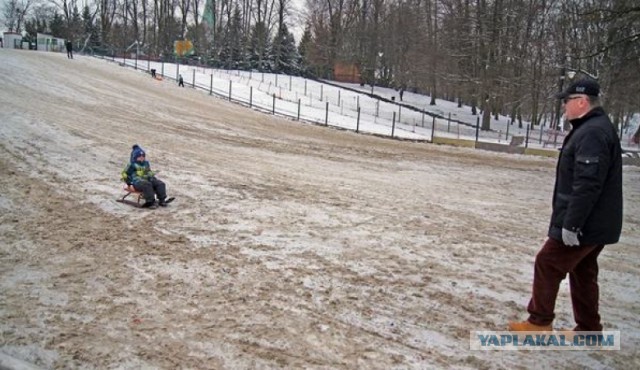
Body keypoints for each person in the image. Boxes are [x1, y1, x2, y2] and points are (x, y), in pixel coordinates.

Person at [508, 79, 623, 333]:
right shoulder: (593, 127)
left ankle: (539, 322)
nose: (563, 106)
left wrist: (572, 225)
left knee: (547, 263)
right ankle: (589, 329)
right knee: (583, 272)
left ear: (582, 102)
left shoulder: (592, 132)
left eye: (566, 101)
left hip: (585, 223)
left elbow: (587, 183)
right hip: (596, 223)